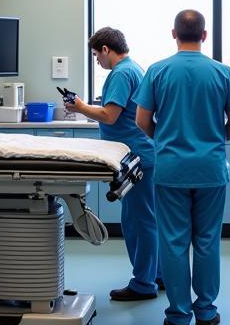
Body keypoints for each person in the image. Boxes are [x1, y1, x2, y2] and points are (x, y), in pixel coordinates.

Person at [134, 10, 230, 325]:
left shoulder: (157, 71)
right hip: (211, 169)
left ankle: (179, 317)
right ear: (205, 35)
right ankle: (207, 312)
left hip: (170, 170)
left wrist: (167, 140)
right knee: (208, 241)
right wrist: (214, 141)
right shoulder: (221, 72)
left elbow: (142, 121)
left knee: (173, 242)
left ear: (174, 34)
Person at [65, 27, 159, 301]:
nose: (97, 61)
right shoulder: (134, 68)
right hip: (140, 154)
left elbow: (109, 115)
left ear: (106, 49)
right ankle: (157, 275)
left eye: (96, 55)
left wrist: (80, 106)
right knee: (146, 219)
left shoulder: (120, 73)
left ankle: (144, 284)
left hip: (134, 156)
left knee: (139, 222)